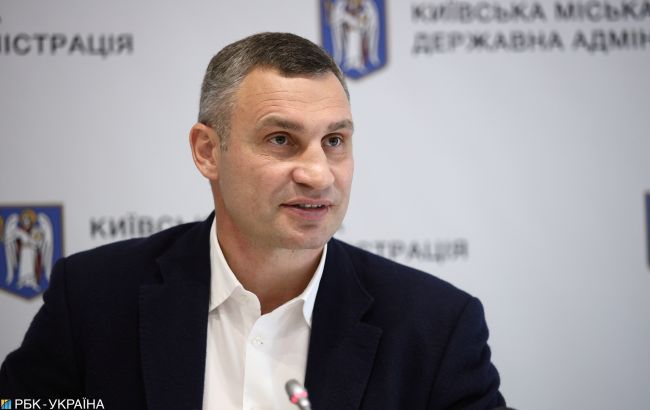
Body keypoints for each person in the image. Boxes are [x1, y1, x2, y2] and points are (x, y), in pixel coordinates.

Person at [0, 32, 505, 409]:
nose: (317, 174)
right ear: (207, 151)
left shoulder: (435, 327)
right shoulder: (93, 297)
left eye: (334, 141)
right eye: (281, 139)